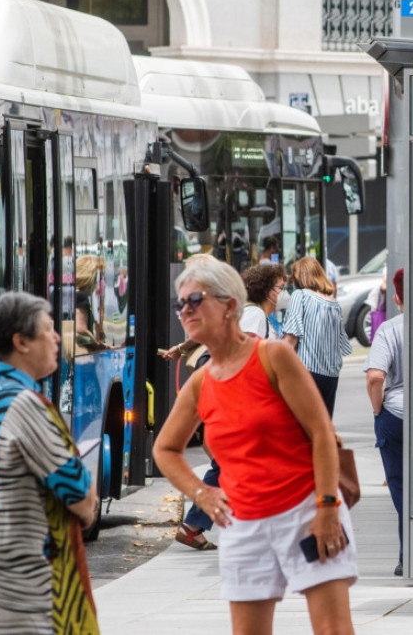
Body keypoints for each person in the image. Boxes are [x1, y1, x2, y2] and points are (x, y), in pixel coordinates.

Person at [153, 259, 356, 635]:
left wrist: (327, 507)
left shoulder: (273, 357)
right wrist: (201, 494)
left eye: (195, 300)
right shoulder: (201, 382)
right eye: (180, 304)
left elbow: (322, 433)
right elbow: (165, 449)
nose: (185, 310)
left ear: (230, 305)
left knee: (333, 630)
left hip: (307, 509)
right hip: (243, 523)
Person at [0, 292, 99, 633]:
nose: (57, 338)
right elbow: (80, 496)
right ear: (20, 341)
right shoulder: (22, 405)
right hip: (24, 590)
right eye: (48, 330)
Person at [175, 262, 289, 552]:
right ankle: (196, 524)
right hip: (242, 405)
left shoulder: (259, 320)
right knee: (227, 463)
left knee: (226, 463)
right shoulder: (254, 317)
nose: (284, 293)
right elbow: (241, 358)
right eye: (280, 287)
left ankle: (196, 524)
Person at [364, 268, 406, 576]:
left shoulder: (390, 329)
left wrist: (379, 412)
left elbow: (375, 376)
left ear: (396, 298)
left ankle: (409, 555)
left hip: (396, 416)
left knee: (401, 486)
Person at [283, 256, 352, 416]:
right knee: (323, 428)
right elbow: (342, 344)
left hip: (307, 372)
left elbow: (290, 339)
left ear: (301, 277)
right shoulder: (334, 303)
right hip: (331, 376)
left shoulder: (300, 296)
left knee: (301, 429)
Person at [240, 263, 288, 340]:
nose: (285, 292)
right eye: (281, 287)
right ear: (267, 290)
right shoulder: (255, 315)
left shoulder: (260, 315)